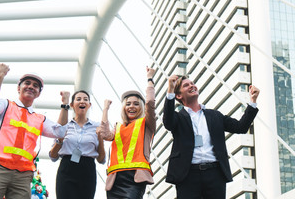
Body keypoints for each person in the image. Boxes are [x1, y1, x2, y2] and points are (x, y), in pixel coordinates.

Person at [0, 63, 69, 199]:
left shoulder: (40, 119)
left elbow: (60, 132)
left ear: (38, 93)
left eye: (35, 86)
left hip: (23, 174)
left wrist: (65, 105)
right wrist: (0, 76)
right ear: (18, 88)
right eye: (27, 83)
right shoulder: (6, 105)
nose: (31, 87)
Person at [163, 74, 260, 199]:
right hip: (187, 175)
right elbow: (168, 122)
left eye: (192, 83)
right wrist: (170, 89)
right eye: (186, 85)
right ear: (179, 96)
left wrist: (253, 101)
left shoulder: (215, 115)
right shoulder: (178, 118)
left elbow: (240, 127)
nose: (192, 86)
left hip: (215, 174)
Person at [100, 67, 156, 199]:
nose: (131, 106)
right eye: (128, 103)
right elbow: (104, 133)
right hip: (115, 178)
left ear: (141, 107)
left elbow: (150, 102)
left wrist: (149, 79)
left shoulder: (147, 123)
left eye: (136, 104)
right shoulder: (118, 127)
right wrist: (105, 109)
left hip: (135, 178)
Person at [49, 90, 106, 199]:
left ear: (89, 105)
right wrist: (60, 140)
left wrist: (100, 138)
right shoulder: (65, 125)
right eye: (78, 99)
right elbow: (53, 156)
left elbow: (101, 160)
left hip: (87, 169)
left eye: (85, 99)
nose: (82, 102)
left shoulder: (97, 127)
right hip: (67, 167)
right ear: (71, 105)